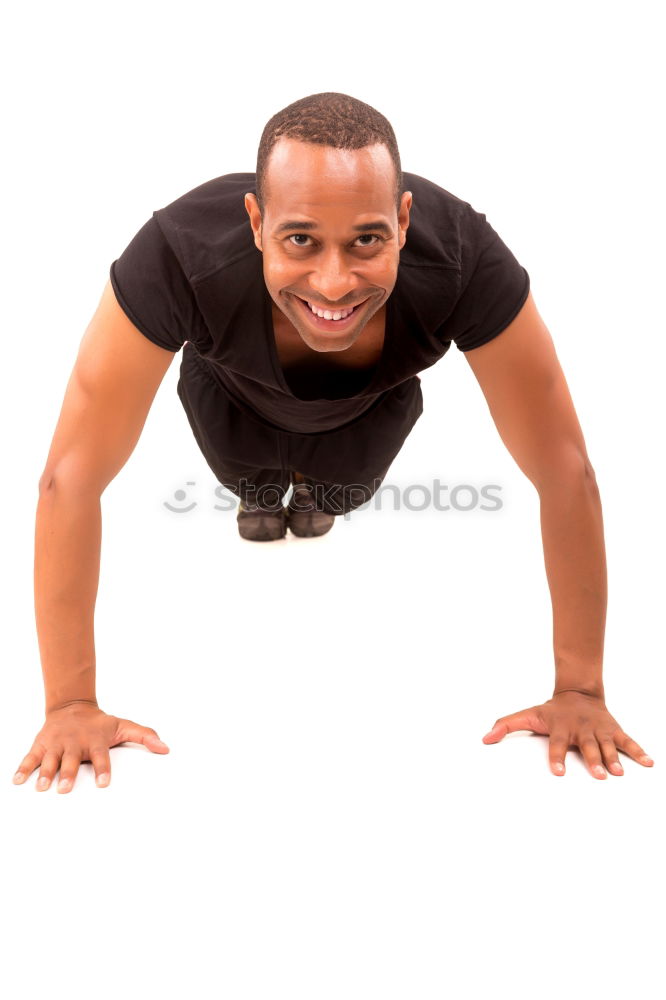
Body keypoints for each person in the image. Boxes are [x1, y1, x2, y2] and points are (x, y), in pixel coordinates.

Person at [12, 92, 654, 795]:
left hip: (368, 414)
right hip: (230, 395)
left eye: (367, 241)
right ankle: (263, 495)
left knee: (337, 494)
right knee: (253, 488)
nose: (333, 280)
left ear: (404, 222)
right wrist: (69, 705)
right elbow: (68, 478)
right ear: (255, 222)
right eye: (301, 240)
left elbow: (566, 470)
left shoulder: (464, 258)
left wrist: (582, 690)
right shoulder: (178, 255)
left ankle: (315, 495)